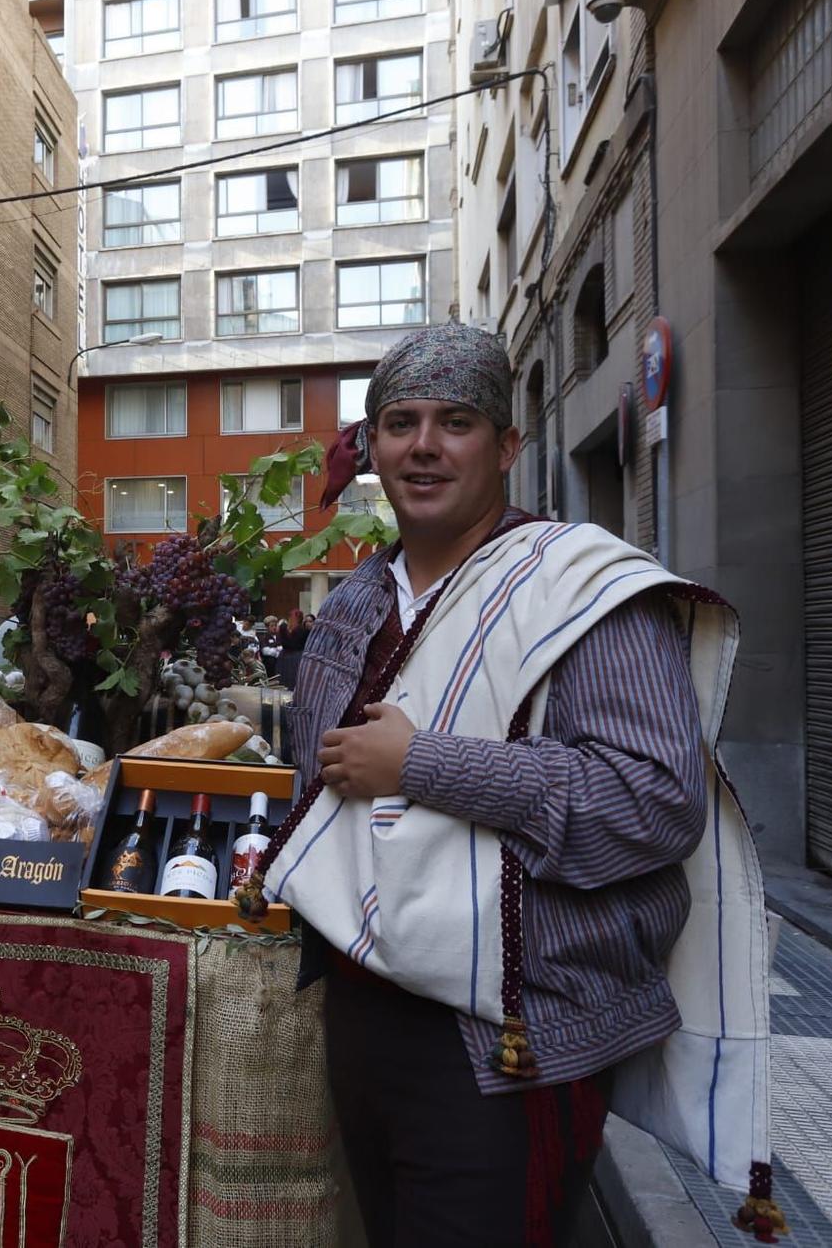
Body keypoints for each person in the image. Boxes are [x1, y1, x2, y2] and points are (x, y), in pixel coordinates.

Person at [249, 323, 749, 1246]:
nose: (424, 445)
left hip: (510, 1039)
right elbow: (318, 791)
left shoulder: (578, 589)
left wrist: (422, 763)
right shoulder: (352, 602)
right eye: (400, 422)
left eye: (457, 421)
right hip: (360, 1013)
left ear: (507, 446)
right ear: (374, 447)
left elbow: (654, 799)